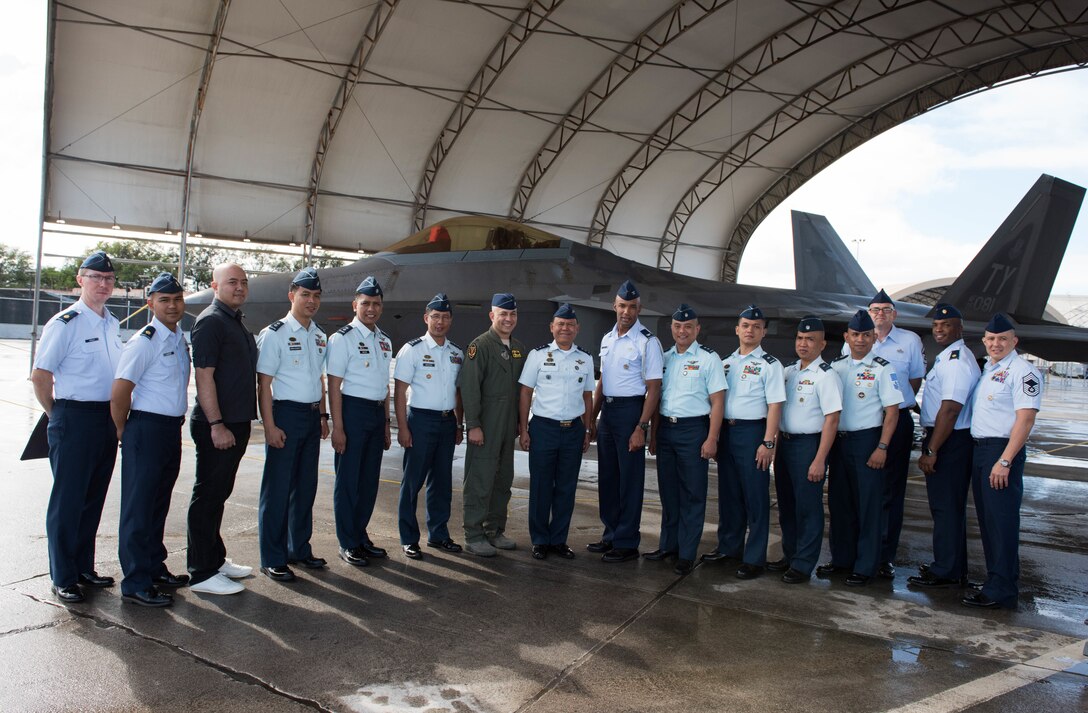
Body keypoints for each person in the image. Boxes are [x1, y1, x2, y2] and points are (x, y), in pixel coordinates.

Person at [31, 251, 122, 604]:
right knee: (68, 501)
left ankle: (83, 566)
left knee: (92, 499)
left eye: (109, 279)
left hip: (105, 419)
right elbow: (40, 377)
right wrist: (57, 415)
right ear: (80, 280)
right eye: (96, 278)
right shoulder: (65, 323)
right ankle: (63, 576)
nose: (103, 284)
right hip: (73, 416)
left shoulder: (111, 323)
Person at [111, 272, 191, 607]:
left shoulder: (176, 337)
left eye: (176, 300)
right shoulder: (145, 340)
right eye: (164, 300)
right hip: (145, 429)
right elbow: (120, 389)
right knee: (138, 507)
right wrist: (122, 430)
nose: (172, 306)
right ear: (151, 304)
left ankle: (154, 566)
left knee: (158, 502)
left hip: (170, 429)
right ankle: (135, 581)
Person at [186, 263, 257, 596]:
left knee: (219, 495)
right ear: (215, 285)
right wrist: (216, 424)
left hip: (236, 423)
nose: (239, 287)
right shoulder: (211, 322)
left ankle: (214, 559)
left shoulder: (235, 321)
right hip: (219, 425)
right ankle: (201, 572)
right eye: (232, 282)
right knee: (208, 497)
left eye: (243, 282)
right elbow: (204, 376)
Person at [962, 313, 1042, 609]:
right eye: (991, 339)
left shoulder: (1023, 371)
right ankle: (997, 580)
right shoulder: (989, 370)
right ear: (984, 341)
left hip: (1001, 451)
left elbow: (1026, 418)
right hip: (981, 449)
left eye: (1002, 339)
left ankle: (1003, 589)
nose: (996, 344)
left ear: (1014, 341)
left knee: (1002, 522)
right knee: (988, 521)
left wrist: (1005, 460)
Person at [255, 267, 329, 583]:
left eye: (315, 296)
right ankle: (273, 556)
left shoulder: (319, 335)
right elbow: (263, 384)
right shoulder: (275, 334)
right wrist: (269, 426)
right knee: (278, 488)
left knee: (305, 486)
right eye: (305, 295)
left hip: (312, 417)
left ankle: (299, 547)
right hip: (285, 415)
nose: (310, 301)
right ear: (292, 296)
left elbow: (321, 380)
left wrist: (324, 417)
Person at [702, 305, 785, 580]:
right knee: (729, 495)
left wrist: (768, 443)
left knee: (755, 498)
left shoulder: (770, 365)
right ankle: (729, 547)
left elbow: (775, 406)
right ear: (737, 329)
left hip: (753, 434)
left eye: (756, 326)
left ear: (764, 332)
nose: (750, 330)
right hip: (728, 432)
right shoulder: (725, 363)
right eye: (746, 325)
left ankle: (754, 557)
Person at [819, 309, 900, 586]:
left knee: (869, 506)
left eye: (866, 335)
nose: (861, 340)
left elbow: (892, 412)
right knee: (840, 504)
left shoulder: (883, 368)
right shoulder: (836, 367)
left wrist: (882, 446)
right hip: (840, 443)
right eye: (855, 335)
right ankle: (842, 559)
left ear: (874, 337)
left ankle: (866, 566)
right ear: (847, 337)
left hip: (868, 441)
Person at [647, 304, 725, 575]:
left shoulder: (708, 359)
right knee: (669, 493)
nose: (682, 331)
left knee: (692, 494)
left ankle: (687, 552)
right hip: (667, 430)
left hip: (694, 431)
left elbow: (717, 402)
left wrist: (712, 438)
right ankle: (668, 545)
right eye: (678, 326)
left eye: (688, 327)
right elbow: (657, 399)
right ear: (672, 328)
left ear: (697, 329)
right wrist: (654, 435)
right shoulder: (665, 358)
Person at [590, 280, 663, 563]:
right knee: (608, 478)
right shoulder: (608, 339)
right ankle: (610, 535)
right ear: (614, 307)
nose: (626, 311)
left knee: (630, 481)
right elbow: (602, 382)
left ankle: (627, 542)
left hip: (632, 412)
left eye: (632, 307)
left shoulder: (647, 342)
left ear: (639, 309)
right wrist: (592, 419)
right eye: (622, 306)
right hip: (608, 413)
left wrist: (640, 427)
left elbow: (654, 389)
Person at [908, 304, 980, 589]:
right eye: (936, 326)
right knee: (947, 508)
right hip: (947, 438)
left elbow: (950, 409)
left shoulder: (957, 361)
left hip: (949, 441)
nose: (939, 330)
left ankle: (947, 571)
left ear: (959, 329)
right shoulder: (948, 358)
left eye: (946, 325)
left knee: (946, 508)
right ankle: (951, 566)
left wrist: (931, 449)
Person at [517, 304, 594, 561]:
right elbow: (525, 392)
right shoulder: (538, 355)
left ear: (577, 329)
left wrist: (586, 428)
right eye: (560, 324)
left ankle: (558, 540)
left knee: (566, 487)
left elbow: (587, 395)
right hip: (543, 428)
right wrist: (524, 428)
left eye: (570, 324)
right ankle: (539, 540)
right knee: (540, 487)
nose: (565, 328)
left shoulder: (585, 358)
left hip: (572, 430)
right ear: (552, 327)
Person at [327, 276, 393, 568]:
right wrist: (338, 427)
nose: (371, 309)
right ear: (355, 305)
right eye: (365, 303)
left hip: (376, 414)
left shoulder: (384, 340)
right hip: (352, 413)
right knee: (348, 481)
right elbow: (333, 385)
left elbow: (385, 385)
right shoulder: (342, 339)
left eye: (376, 304)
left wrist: (386, 423)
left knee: (368, 481)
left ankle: (361, 535)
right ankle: (347, 541)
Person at [771, 316, 842, 584]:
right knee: (787, 505)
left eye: (810, 339)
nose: (803, 344)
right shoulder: (790, 372)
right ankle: (789, 555)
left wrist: (820, 459)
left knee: (808, 508)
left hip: (809, 446)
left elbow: (832, 419)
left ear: (822, 344)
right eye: (800, 338)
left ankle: (803, 564)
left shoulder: (826, 376)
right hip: (786, 445)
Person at [394, 293, 464, 560]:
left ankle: (438, 534)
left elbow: (459, 394)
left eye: (445, 317)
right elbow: (400, 392)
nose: (440, 322)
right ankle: (409, 538)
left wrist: (459, 423)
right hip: (420, 420)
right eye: (435, 317)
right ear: (426, 318)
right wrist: (402, 427)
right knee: (412, 482)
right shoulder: (412, 350)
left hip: (448, 423)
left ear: (450, 321)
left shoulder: (456, 353)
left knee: (442, 482)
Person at [864, 289, 925, 578]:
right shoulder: (859, 338)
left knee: (891, 490)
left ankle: (884, 555)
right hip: (864, 422)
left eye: (885, 309)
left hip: (897, 420)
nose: (879, 314)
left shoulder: (909, 341)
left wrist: (894, 406)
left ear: (894, 314)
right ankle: (861, 550)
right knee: (863, 488)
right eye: (875, 309)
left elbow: (914, 379)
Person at [459, 293, 527, 557]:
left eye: (512, 314)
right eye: (503, 314)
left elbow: (523, 391)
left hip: (508, 425)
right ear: (492, 316)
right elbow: (469, 387)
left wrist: (522, 424)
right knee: (479, 479)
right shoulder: (480, 346)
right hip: (485, 424)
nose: (508, 319)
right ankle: (473, 535)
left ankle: (494, 530)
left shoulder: (519, 348)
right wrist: (473, 424)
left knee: (502, 479)